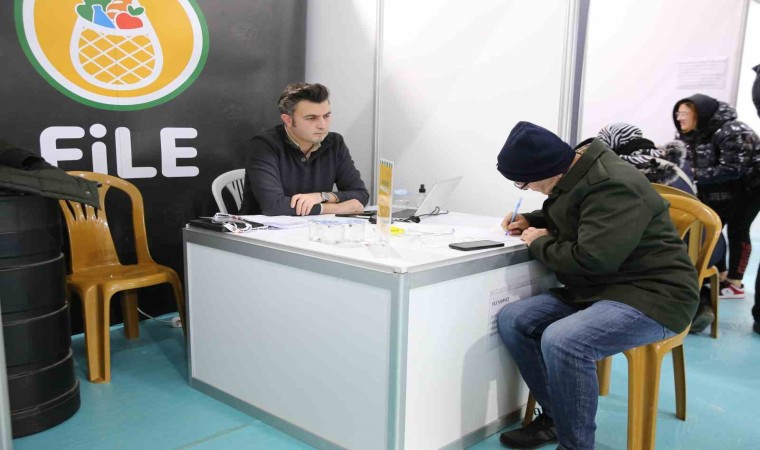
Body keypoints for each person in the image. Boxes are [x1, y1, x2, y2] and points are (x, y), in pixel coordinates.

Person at [494, 121, 698, 450]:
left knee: (564, 340)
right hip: (602, 288)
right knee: (514, 319)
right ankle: (556, 419)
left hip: (655, 295)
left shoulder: (613, 184)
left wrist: (538, 242)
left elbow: (591, 259)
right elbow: (578, 216)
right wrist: (533, 220)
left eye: (524, 183)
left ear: (545, 170)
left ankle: (575, 445)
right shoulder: (574, 171)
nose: (526, 188)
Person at [598, 122, 727, 334]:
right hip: (710, 247)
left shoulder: (621, 171)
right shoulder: (678, 162)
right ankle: (700, 303)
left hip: (669, 257)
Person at [673, 94, 760, 301]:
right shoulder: (688, 134)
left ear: (699, 114)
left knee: (738, 230)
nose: (679, 118)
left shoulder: (734, 130)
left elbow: (734, 168)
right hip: (716, 190)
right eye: (678, 113)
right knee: (713, 229)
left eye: (684, 113)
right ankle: (721, 275)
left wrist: (693, 173)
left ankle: (735, 283)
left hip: (749, 189)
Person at [239, 82, 369, 216]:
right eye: (311, 118)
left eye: (326, 116)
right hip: (260, 227)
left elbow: (360, 194)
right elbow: (274, 206)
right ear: (288, 120)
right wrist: (336, 208)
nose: (322, 125)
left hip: (314, 226)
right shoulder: (263, 145)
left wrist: (322, 196)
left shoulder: (335, 142)